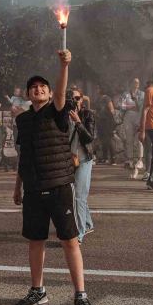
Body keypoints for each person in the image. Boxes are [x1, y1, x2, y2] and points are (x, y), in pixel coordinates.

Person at [12, 50, 97, 305]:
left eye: (42, 87)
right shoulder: (22, 120)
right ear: (28, 95)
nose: (37, 90)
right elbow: (24, 154)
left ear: (49, 94)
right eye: (33, 88)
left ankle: (80, 295)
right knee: (35, 241)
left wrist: (64, 64)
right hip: (33, 189)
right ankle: (37, 290)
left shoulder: (58, 111)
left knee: (69, 241)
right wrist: (17, 186)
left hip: (60, 185)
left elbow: (61, 93)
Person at [68, 91, 96, 243]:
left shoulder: (88, 115)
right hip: (70, 159)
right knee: (79, 194)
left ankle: (78, 234)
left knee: (78, 195)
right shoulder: (63, 116)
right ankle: (87, 224)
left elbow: (89, 138)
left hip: (85, 159)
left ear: (82, 99)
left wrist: (78, 121)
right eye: (71, 98)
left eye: (77, 98)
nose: (74, 101)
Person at [117, 78, 144, 177]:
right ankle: (131, 163)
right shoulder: (126, 94)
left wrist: (130, 105)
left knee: (139, 139)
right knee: (129, 140)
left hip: (138, 117)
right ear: (131, 83)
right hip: (128, 117)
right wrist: (132, 106)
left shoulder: (141, 94)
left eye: (138, 82)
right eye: (135, 82)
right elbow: (122, 106)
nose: (137, 84)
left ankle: (140, 161)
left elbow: (141, 106)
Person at [94, 88, 117, 165]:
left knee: (108, 140)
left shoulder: (107, 98)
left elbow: (112, 110)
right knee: (102, 140)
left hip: (107, 122)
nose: (96, 89)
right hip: (100, 122)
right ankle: (105, 158)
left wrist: (106, 118)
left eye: (97, 87)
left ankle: (113, 159)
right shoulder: (98, 99)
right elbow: (97, 111)